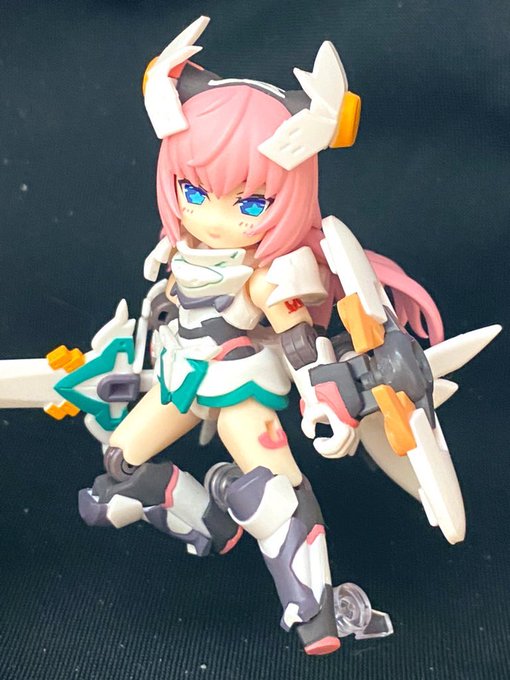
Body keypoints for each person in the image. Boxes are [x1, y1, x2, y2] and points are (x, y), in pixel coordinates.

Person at [78, 17, 444, 655]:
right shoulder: (179, 251)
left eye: (250, 204)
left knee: (273, 496)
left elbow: (300, 342)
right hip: (179, 383)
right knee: (117, 473)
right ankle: (212, 521)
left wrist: (327, 396)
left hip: (241, 392)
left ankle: (315, 614)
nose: (215, 217)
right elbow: (170, 310)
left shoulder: (269, 277)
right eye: (193, 191)